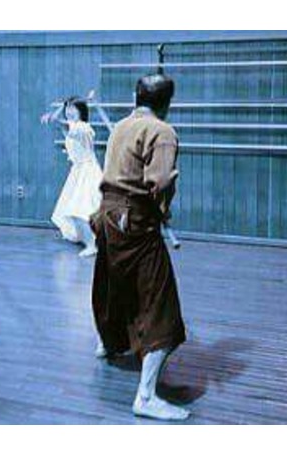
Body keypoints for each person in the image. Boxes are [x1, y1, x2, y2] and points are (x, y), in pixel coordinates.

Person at [90, 74, 190, 421]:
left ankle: (107, 343)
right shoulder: (162, 131)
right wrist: (164, 205)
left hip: (107, 215)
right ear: (167, 102)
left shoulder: (120, 126)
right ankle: (146, 397)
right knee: (160, 305)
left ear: (137, 97)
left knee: (115, 282)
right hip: (135, 221)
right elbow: (159, 181)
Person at [41, 96, 103, 257]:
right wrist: (62, 107)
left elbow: (61, 123)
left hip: (87, 171)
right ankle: (88, 240)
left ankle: (92, 245)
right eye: (68, 108)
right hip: (78, 171)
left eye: (73, 108)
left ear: (81, 111)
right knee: (73, 209)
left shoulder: (83, 127)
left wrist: (56, 116)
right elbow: (59, 123)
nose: (69, 112)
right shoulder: (73, 126)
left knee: (79, 209)